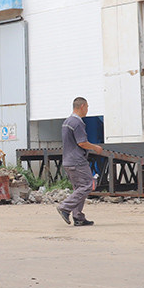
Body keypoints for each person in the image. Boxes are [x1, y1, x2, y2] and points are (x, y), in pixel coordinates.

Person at [56, 97, 104, 226]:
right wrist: (95, 147)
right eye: (87, 107)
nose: (87, 110)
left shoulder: (67, 122)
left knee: (79, 188)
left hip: (68, 160)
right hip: (77, 161)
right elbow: (82, 142)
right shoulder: (77, 122)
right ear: (82, 106)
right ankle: (65, 207)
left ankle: (78, 217)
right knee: (87, 185)